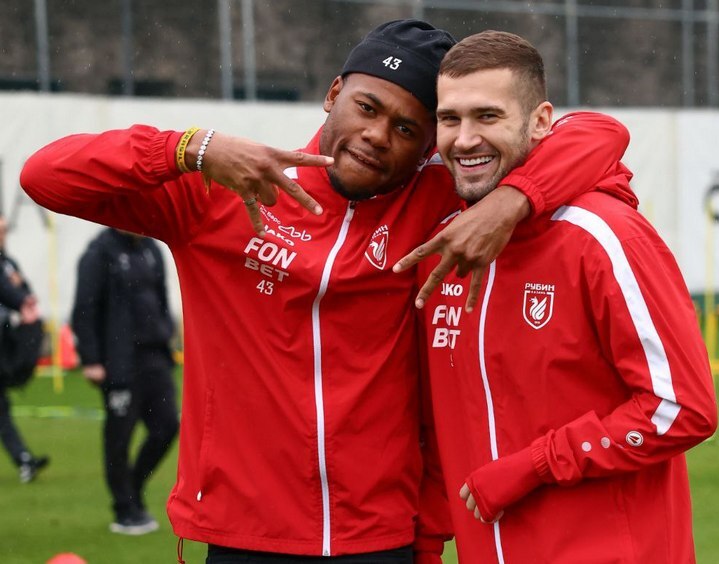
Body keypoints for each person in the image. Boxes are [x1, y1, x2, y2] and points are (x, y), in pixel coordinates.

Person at [20, 19, 631, 564]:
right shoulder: (223, 190)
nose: (377, 135)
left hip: (379, 539)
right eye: (366, 107)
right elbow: (45, 175)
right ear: (333, 93)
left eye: (406, 128)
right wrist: (191, 148)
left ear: (428, 148)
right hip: (243, 536)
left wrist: (514, 199)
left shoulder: (439, 199)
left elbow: (600, 137)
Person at [413, 30, 719, 563]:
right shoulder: (443, 250)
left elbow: (682, 407)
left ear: (540, 122)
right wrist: (426, 543)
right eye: (449, 119)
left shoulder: (603, 234)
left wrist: (537, 464)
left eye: (488, 116)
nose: (464, 140)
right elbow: (442, 427)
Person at [71, 228, 179, 535]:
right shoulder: (99, 252)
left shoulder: (152, 248)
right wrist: (91, 359)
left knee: (167, 427)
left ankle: (133, 486)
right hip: (119, 361)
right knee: (120, 436)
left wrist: (167, 332)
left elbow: (162, 297)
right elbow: (84, 307)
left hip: (155, 357)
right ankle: (124, 509)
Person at [0, 215, 48, 483]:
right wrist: (18, 298)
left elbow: (24, 293)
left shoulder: (9, 263)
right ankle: (23, 459)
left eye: (4, 231)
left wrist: (23, 295)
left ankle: (24, 459)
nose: (2, 236)